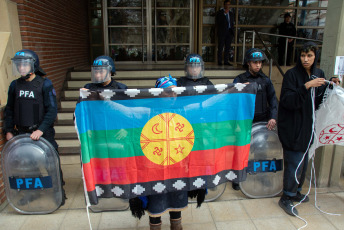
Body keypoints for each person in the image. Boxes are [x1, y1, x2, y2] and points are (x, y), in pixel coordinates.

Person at [3, 49, 66, 205]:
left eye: (24, 64)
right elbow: (9, 109)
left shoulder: (44, 84)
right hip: (22, 132)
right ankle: (32, 193)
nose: (20, 68)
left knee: (51, 163)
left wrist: (41, 129)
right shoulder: (14, 85)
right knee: (27, 166)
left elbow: (52, 110)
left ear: (33, 65)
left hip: (42, 132)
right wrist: (8, 130)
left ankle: (59, 192)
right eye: (18, 65)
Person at [277, 42, 332, 216]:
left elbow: (319, 101)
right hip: (292, 127)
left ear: (315, 56)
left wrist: (330, 86)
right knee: (294, 163)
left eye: (309, 55)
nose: (305, 59)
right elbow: (288, 101)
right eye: (302, 55)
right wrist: (306, 86)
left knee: (304, 162)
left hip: (308, 127)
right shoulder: (291, 75)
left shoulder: (319, 74)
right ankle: (286, 197)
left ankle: (297, 191)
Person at [232, 48, 278, 190]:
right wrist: (239, 88)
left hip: (262, 120)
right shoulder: (240, 79)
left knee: (261, 149)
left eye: (260, 62)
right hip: (245, 121)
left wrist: (273, 117)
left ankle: (261, 176)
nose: (258, 65)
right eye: (254, 62)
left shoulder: (266, 80)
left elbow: (273, 101)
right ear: (248, 63)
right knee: (241, 150)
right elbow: (231, 99)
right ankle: (237, 178)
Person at [216, 0, 235, 66]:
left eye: (229, 4)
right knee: (221, 47)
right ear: (224, 5)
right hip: (222, 32)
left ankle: (226, 61)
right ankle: (219, 61)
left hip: (229, 32)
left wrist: (232, 32)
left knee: (228, 47)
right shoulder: (220, 13)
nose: (228, 6)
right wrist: (225, 14)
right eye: (226, 4)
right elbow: (218, 22)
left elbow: (232, 23)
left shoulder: (231, 14)